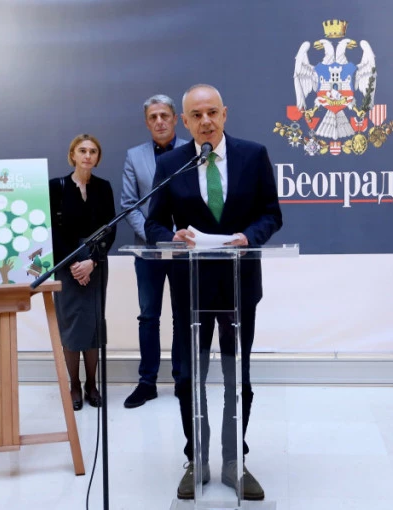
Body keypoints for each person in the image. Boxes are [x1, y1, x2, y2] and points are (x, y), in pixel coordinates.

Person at [146, 84, 282, 500]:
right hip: (192, 289)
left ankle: (234, 459)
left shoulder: (253, 155)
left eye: (211, 113)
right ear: (184, 122)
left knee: (237, 377)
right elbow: (153, 224)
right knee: (190, 377)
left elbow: (271, 214)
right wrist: (171, 236)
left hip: (240, 286)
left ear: (224, 114)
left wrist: (249, 236)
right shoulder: (172, 163)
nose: (205, 121)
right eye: (196, 115)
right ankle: (197, 459)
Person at [121, 94, 188, 409]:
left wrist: (183, 237)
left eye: (164, 115)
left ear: (175, 119)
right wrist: (157, 236)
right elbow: (129, 204)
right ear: (147, 123)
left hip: (185, 249)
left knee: (182, 316)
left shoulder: (193, 151)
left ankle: (182, 379)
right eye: (153, 117)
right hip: (148, 250)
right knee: (149, 316)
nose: (159, 121)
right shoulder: (134, 156)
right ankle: (147, 382)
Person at [49, 134, 116, 411]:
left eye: (93, 151)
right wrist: (74, 264)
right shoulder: (57, 186)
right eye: (82, 150)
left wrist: (93, 262)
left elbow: (110, 228)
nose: (87, 155)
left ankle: (92, 384)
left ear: (97, 158)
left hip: (96, 263)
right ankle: (74, 385)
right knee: (71, 324)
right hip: (67, 265)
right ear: (72, 155)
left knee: (93, 323)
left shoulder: (104, 187)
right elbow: (52, 231)